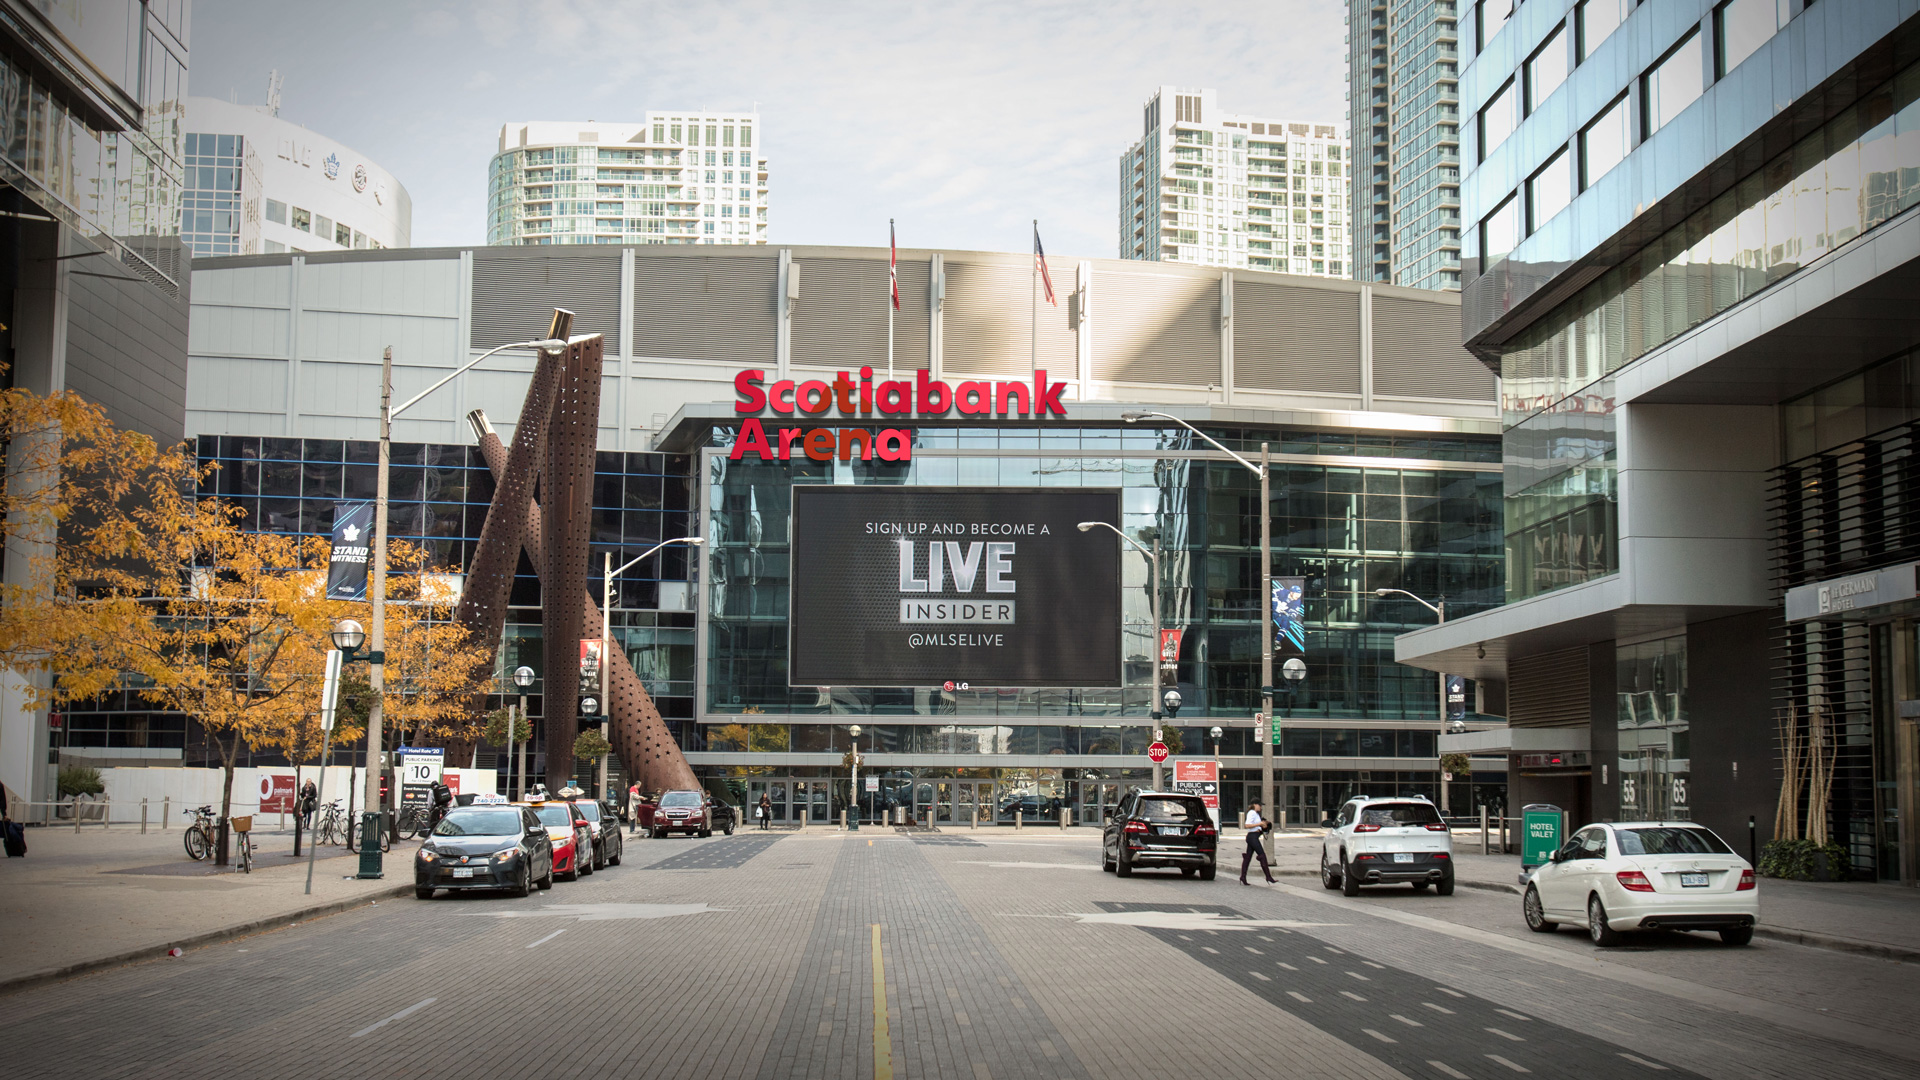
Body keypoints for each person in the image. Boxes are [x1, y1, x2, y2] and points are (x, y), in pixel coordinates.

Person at [1240, 800, 1276, 885]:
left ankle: (1243, 877)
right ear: (1254, 805)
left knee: (1247, 858)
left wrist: (1263, 825)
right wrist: (1259, 824)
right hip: (1252, 837)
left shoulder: (1255, 814)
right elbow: (1247, 825)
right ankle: (1268, 876)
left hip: (1254, 836)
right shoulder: (1251, 812)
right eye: (1259, 805)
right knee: (1262, 855)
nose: (1261, 807)